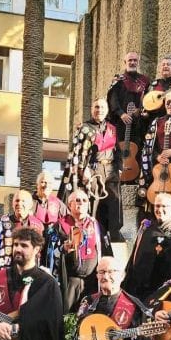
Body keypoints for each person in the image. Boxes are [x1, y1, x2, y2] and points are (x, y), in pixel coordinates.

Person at [60, 98, 123, 241]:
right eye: (96, 107)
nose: (99, 110)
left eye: (102, 107)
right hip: (94, 169)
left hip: (111, 169)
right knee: (94, 202)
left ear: (106, 110)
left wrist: (120, 167)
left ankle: (114, 235)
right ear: (92, 109)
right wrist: (84, 169)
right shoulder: (85, 128)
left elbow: (118, 150)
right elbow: (78, 151)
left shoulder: (112, 128)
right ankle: (93, 233)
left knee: (114, 202)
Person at [123, 193, 171, 301]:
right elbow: (135, 255)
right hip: (141, 287)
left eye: (164, 206)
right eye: (157, 206)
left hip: (166, 288)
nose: (160, 209)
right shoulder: (146, 227)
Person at [56, 190, 110, 314]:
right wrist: (63, 249)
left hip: (91, 282)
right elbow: (50, 255)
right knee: (67, 317)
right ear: (69, 205)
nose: (81, 203)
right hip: (70, 282)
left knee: (89, 316)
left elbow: (106, 251)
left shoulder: (95, 225)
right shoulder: (60, 225)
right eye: (77, 200)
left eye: (84, 200)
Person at [138, 90, 171, 210]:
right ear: (165, 104)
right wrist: (157, 156)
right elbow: (149, 144)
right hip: (158, 165)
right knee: (156, 197)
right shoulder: (157, 122)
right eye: (168, 102)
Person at [106, 51, 150, 151]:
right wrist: (121, 114)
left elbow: (148, 100)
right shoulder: (118, 80)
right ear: (125, 62)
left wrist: (141, 110)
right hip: (121, 122)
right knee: (120, 151)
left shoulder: (145, 81)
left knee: (136, 151)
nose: (132, 62)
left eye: (135, 60)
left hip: (138, 123)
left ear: (138, 62)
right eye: (130, 60)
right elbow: (113, 99)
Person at [0, 189, 44, 271]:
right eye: (17, 200)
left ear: (30, 205)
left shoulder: (37, 224)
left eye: (23, 201)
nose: (19, 203)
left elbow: (40, 251)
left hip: (29, 269)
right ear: (13, 204)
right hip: (7, 268)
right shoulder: (5, 221)